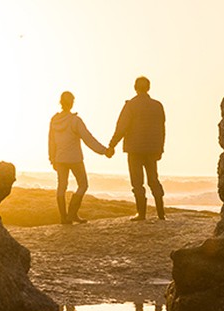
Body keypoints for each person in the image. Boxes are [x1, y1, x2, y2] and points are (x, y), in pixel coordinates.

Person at [106, 76, 166, 221]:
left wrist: (112, 145)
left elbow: (121, 127)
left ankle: (141, 214)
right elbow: (162, 129)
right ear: (149, 88)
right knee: (153, 180)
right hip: (152, 149)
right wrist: (160, 148)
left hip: (134, 149)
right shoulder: (157, 105)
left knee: (137, 182)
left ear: (135, 88)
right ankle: (161, 213)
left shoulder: (131, 105)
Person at [48, 91, 108, 224]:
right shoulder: (75, 120)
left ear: (60, 102)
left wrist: (52, 158)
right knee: (83, 184)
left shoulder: (54, 120)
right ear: (72, 102)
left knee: (61, 187)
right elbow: (88, 139)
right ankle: (72, 214)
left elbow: (51, 141)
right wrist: (104, 151)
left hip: (60, 158)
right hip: (74, 159)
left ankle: (64, 218)